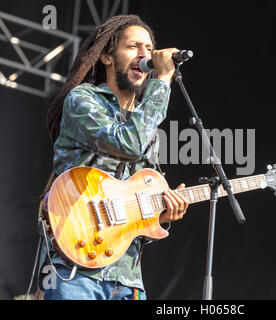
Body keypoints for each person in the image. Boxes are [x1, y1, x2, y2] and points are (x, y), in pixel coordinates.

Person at [39, 15, 189, 300]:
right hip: (76, 270)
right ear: (107, 56)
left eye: (149, 47)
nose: (145, 54)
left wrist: (164, 214)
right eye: (134, 46)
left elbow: (135, 205)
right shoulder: (83, 100)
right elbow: (128, 144)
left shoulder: (147, 125)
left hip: (127, 277)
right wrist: (163, 80)